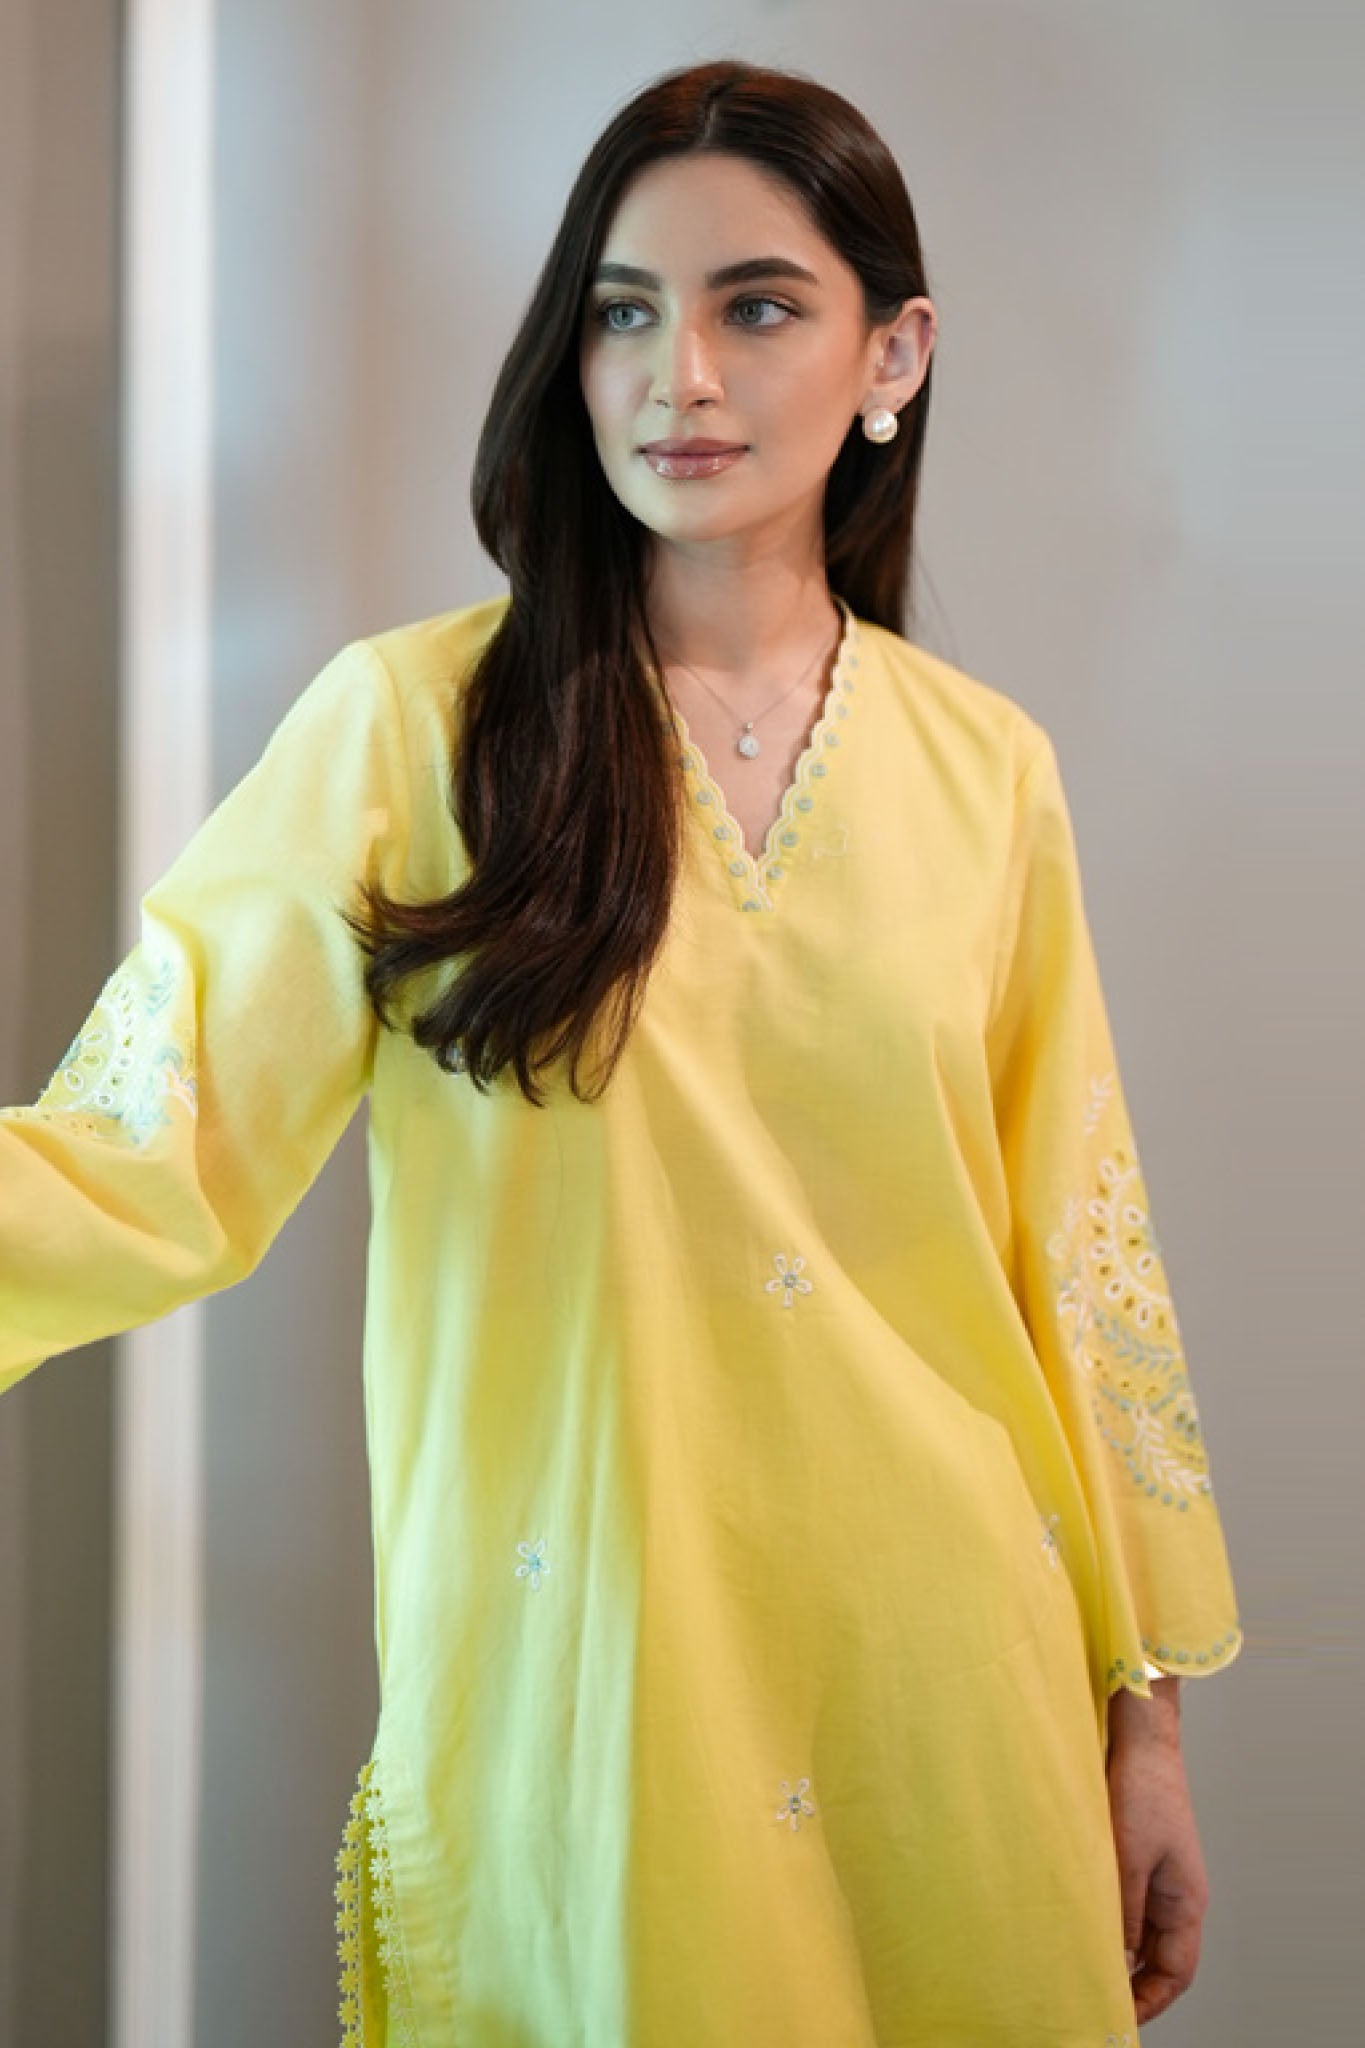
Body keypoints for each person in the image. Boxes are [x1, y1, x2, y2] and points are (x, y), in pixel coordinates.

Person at [0, 56, 1242, 2048]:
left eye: (758, 305)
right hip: (588, 1716)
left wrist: (1144, 1724)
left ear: (892, 354)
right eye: (623, 310)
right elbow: (142, 1146)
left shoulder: (984, 774)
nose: (681, 374)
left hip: (954, 1704)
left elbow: (1079, 1284)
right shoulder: (413, 734)